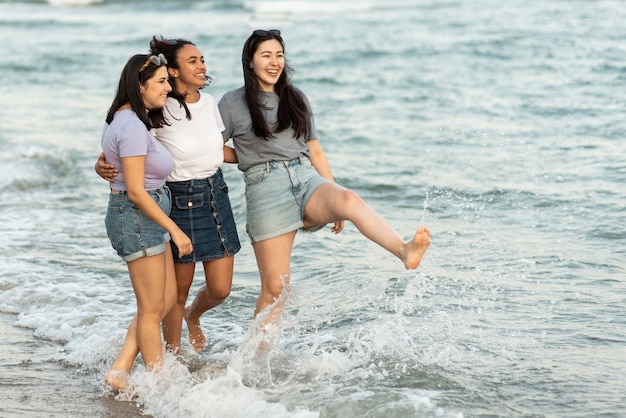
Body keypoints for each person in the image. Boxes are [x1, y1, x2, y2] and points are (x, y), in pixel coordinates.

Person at [217, 29, 431, 328]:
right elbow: (212, 148)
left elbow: (314, 150)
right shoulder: (231, 102)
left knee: (349, 199)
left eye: (279, 55)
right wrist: (250, 155)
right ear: (250, 62)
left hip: (305, 177)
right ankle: (252, 366)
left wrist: (331, 186)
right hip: (266, 189)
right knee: (276, 290)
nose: (274, 62)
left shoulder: (296, 97)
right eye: (266, 55)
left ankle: (404, 251)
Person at [96, 36, 241, 355]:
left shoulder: (209, 103)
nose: (202, 66)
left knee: (220, 288)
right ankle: (173, 357)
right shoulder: (159, 108)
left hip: (216, 193)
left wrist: (261, 156)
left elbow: (218, 150)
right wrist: (101, 165)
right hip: (177, 198)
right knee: (171, 295)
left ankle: (194, 316)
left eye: (203, 59)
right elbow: (126, 151)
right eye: (193, 61)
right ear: (172, 71)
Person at [100, 53, 193, 392]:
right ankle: (160, 386)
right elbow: (137, 192)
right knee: (153, 309)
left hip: (143, 217)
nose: (168, 88)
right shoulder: (131, 126)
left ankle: (120, 369)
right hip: (138, 217)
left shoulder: (124, 120)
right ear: (139, 86)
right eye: (162, 82)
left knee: (163, 301)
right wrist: (176, 230)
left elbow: (114, 162)